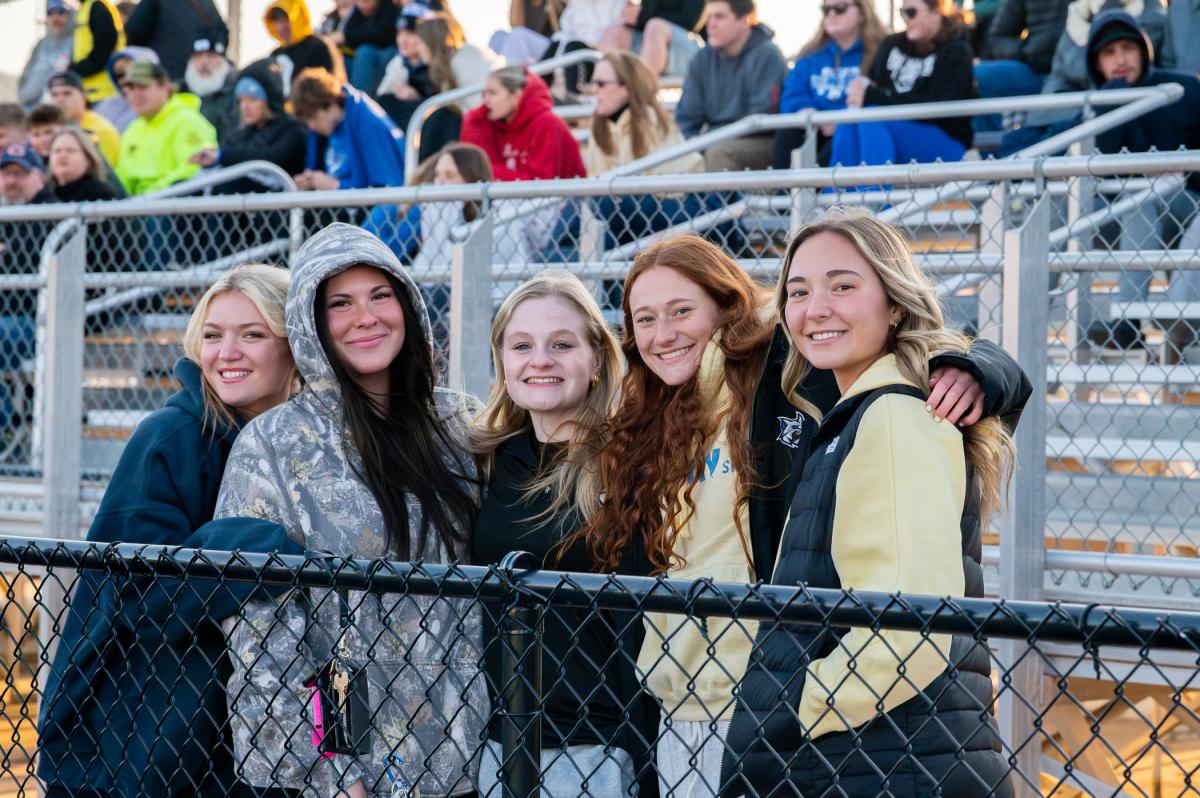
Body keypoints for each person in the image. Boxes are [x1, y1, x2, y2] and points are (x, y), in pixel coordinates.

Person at [579, 235, 1028, 796]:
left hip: (768, 703)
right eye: (644, 318)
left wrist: (974, 369)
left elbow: (908, 346)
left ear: (727, 310)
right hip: (677, 706)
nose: (663, 332)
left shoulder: (781, 380)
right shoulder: (643, 423)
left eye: (681, 311)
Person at [720, 209, 1016, 798]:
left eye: (843, 285)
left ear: (896, 303)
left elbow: (914, 627)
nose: (816, 307)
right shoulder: (851, 408)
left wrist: (794, 707)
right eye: (798, 291)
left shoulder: (894, 415)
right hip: (870, 757)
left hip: (874, 761)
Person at [214, 222, 487, 797]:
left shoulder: (459, 426)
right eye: (340, 303)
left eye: (380, 296)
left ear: (407, 304)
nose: (365, 317)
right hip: (343, 777)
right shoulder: (272, 446)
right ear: (313, 326)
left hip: (464, 763)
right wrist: (326, 773)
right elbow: (260, 633)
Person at [37, 264, 303, 798]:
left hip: (239, 739)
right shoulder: (170, 436)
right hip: (134, 742)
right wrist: (263, 549)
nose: (226, 352)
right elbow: (142, 595)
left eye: (252, 334)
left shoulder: (306, 449)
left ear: (296, 346)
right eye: (212, 335)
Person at [469, 271, 659, 798]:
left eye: (562, 344)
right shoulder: (482, 459)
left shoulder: (632, 460)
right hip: (500, 739)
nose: (540, 360)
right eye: (522, 345)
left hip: (601, 744)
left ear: (597, 358)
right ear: (502, 360)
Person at [1082, 10, 1200, 351]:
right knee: (1057, 207)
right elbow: (1103, 163)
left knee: (1140, 197)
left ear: (1143, 50)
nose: (1120, 59)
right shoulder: (1099, 103)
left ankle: (1127, 324)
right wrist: (1114, 97)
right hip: (1126, 214)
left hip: (1186, 207)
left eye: (1127, 48)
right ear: (1096, 63)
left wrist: (1178, 169)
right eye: (1109, 52)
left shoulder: (1182, 89)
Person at [832, 0, 976, 169]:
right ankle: (837, 192)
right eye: (902, 13)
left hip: (945, 142)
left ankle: (874, 192)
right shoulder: (891, 44)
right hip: (891, 132)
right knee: (849, 118)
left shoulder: (957, 51)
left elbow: (938, 108)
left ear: (936, 12)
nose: (906, 19)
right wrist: (860, 92)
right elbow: (873, 88)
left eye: (911, 12)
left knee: (872, 118)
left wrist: (877, 96)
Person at [772, 0, 890, 169]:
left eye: (840, 8)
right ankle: (783, 191)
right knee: (789, 131)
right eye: (825, 9)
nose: (831, 14)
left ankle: (813, 186)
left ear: (863, 12)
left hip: (852, 129)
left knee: (846, 135)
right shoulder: (811, 55)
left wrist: (841, 120)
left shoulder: (880, 52)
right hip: (814, 128)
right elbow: (792, 94)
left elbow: (881, 96)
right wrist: (811, 114)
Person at [674, 0, 788, 172]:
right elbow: (687, 118)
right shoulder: (702, 59)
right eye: (709, 16)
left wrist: (708, 139)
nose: (711, 24)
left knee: (719, 153)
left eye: (719, 17)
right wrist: (694, 142)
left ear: (745, 20)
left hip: (761, 142)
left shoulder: (767, 55)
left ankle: (715, 200)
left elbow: (761, 119)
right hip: (712, 140)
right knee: (669, 152)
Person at [190, 59, 308, 190]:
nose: (245, 107)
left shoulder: (293, 131)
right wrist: (211, 161)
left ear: (269, 99)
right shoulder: (239, 135)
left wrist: (222, 156)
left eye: (253, 99)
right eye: (241, 101)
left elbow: (268, 159)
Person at [290, 66, 406, 190]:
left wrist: (335, 186)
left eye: (314, 117)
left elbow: (387, 189)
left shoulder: (367, 120)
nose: (312, 126)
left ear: (329, 103)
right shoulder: (327, 129)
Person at [461, 66, 586, 182]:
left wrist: (487, 172)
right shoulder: (491, 123)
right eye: (484, 94)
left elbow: (539, 183)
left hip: (562, 202)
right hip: (516, 203)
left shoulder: (547, 124)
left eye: (493, 93)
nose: (485, 100)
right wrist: (474, 122)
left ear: (516, 95)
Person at [115, 60, 217, 195]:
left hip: (174, 207)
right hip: (136, 209)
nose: (135, 95)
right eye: (131, 89)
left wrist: (147, 198)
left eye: (143, 87)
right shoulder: (133, 129)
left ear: (165, 87)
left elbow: (193, 171)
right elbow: (122, 176)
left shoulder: (188, 121)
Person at [972, 0, 1070, 132]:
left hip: (1079, 73)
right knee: (979, 76)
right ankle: (999, 149)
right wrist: (1026, 50)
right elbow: (998, 37)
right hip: (1037, 69)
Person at [597, 0, 706, 78]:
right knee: (614, 32)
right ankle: (603, 83)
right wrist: (632, 16)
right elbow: (645, 18)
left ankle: (642, 91)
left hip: (690, 52)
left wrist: (643, 17)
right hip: (653, 44)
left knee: (655, 26)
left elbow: (690, 22)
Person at [124, 0, 225, 82]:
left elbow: (134, 30)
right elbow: (222, 34)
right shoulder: (205, 3)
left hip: (166, 77)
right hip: (199, 76)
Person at [541, 0, 623, 96]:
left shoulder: (618, 4)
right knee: (556, 45)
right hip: (574, 52)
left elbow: (613, 39)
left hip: (600, 59)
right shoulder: (577, 3)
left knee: (573, 47)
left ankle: (574, 96)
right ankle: (537, 93)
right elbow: (566, 30)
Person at [47, 70, 122, 167]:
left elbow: (103, 175)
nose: (60, 99)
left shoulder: (100, 131)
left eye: (67, 93)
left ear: (84, 96)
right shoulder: (52, 129)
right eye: (54, 95)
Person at [266, 0, 340, 93]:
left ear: (297, 18)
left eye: (285, 20)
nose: (281, 27)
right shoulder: (275, 55)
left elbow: (329, 87)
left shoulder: (317, 46)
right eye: (277, 22)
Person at [18, 0, 75, 108]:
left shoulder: (75, 41)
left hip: (56, 105)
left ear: (70, 15)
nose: (55, 17)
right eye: (50, 13)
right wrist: (22, 92)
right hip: (27, 103)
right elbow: (27, 71)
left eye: (61, 12)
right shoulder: (41, 43)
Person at [186, 27, 239, 143]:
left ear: (223, 59)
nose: (204, 63)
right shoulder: (177, 92)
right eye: (198, 56)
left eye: (211, 55)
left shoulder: (239, 92)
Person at [338, 0, 401, 95]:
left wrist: (347, 37)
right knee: (340, 59)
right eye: (358, 2)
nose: (362, 5)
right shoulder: (358, 11)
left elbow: (380, 36)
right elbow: (349, 30)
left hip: (387, 54)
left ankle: (359, 102)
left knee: (365, 52)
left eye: (366, 1)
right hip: (361, 57)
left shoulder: (389, 7)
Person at [68, 0, 126, 103]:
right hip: (91, 89)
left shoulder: (98, 6)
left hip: (103, 91)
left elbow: (103, 49)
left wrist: (75, 70)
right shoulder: (88, 7)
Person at [93, 45, 159, 131]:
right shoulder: (105, 107)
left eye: (132, 72)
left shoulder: (161, 106)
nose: (126, 80)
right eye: (120, 75)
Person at [48, 126, 121, 201]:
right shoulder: (46, 191)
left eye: (70, 150)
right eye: (57, 151)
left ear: (88, 160)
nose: (62, 156)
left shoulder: (99, 194)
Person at [490, 0, 562, 66]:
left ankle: (518, 72)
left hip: (553, 45)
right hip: (534, 54)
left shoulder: (551, 3)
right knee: (506, 36)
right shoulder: (523, 4)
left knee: (518, 34)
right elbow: (515, 26)